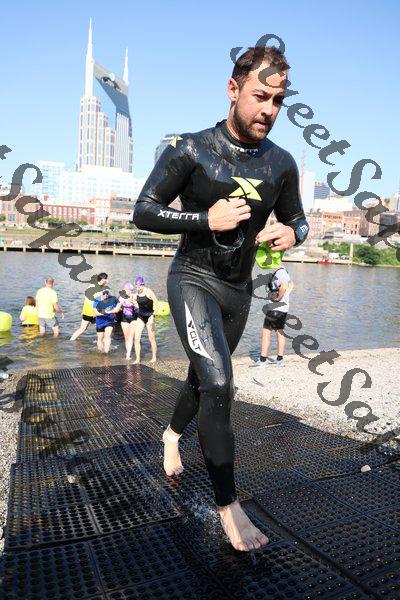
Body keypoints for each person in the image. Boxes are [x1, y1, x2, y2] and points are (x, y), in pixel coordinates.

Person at [132, 45, 309, 552]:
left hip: (238, 290)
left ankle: (171, 435)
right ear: (233, 90)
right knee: (219, 381)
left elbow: (298, 220)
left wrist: (292, 233)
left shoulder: (281, 163)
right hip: (192, 276)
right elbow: (143, 210)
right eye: (260, 97)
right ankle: (229, 507)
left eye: (277, 101)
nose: (268, 110)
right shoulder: (191, 149)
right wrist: (204, 219)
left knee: (203, 378)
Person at [251, 247, 294, 368]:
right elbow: (291, 285)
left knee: (266, 332)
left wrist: (278, 298)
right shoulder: (284, 271)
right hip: (283, 308)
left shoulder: (279, 272)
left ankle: (263, 360)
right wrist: (285, 296)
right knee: (280, 332)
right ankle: (280, 359)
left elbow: (284, 286)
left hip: (275, 308)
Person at [70, 273, 109, 341]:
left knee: (82, 329)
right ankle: (102, 344)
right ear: (103, 280)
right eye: (106, 279)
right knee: (103, 329)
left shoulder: (91, 286)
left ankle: (71, 340)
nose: (107, 280)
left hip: (86, 311)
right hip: (95, 313)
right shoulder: (101, 289)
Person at [133, 276, 158, 364]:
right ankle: (137, 359)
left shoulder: (149, 291)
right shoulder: (136, 294)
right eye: (136, 287)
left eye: (139, 286)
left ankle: (154, 358)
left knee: (151, 338)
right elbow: (138, 305)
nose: (138, 288)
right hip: (141, 317)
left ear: (143, 285)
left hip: (150, 316)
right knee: (136, 338)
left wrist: (153, 315)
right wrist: (134, 304)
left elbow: (157, 305)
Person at [114, 282, 138, 360]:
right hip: (124, 319)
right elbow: (117, 308)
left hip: (134, 318)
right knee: (127, 337)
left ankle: (129, 354)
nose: (124, 291)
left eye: (126, 289)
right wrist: (108, 311)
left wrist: (134, 304)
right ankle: (128, 353)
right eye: (124, 289)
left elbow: (140, 307)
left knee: (131, 336)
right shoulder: (122, 298)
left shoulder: (135, 296)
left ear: (130, 290)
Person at [92, 289, 117, 354]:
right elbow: (95, 312)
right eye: (104, 294)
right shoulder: (97, 300)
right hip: (100, 322)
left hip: (109, 320)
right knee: (100, 338)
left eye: (107, 294)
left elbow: (118, 308)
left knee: (107, 336)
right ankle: (100, 352)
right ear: (101, 294)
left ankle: (106, 352)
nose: (105, 295)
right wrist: (105, 313)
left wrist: (112, 311)